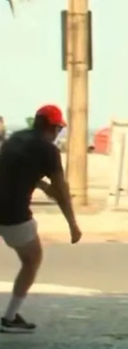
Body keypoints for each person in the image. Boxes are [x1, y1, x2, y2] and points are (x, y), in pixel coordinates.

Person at [0, 105, 81, 332]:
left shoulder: (16, 139)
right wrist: (73, 225)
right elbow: (62, 192)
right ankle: (9, 317)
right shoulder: (48, 151)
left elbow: (13, 168)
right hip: (12, 213)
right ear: (53, 128)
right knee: (32, 259)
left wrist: (41, 183)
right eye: (58, 129)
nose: (58, 134)